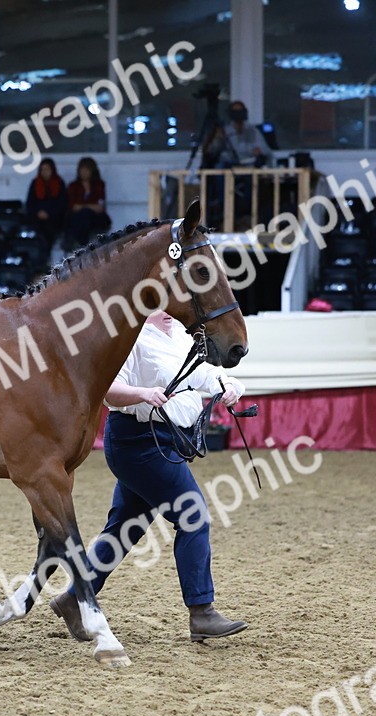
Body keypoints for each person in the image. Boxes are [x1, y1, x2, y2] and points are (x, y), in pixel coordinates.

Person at [48, 309, 249, 643]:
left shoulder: (182, 336)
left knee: (124, 529)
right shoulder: (130, 338)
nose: (170, 312)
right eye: (161, 304)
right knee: (193, 516)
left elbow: (203, 376)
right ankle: (201, 612)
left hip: (164, 441)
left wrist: (228, 385)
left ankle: (74, 598)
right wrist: (143, 393)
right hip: (138, 441)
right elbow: (109, 391)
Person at [64, 157, 110, 249]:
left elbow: (99, 207)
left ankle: (81, 245)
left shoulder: (99, 185)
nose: (84, 172)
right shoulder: (73, 186)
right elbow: (73, 206)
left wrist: (84, 206)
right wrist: (89, 206)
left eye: (87, 170)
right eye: (82, 170)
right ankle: (82, 245)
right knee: (81, 217)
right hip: (77, 218)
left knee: (85, 214)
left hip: (95, 218)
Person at [25, 157, 68, 247]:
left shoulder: (59, 183)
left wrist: (49, 213)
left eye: (47, 169)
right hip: (37, 217)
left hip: (54, 217)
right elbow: (30, 203)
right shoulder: (35, 183)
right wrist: (38, 212)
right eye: (42, 169)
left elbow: (62, 203)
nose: (45, 172)